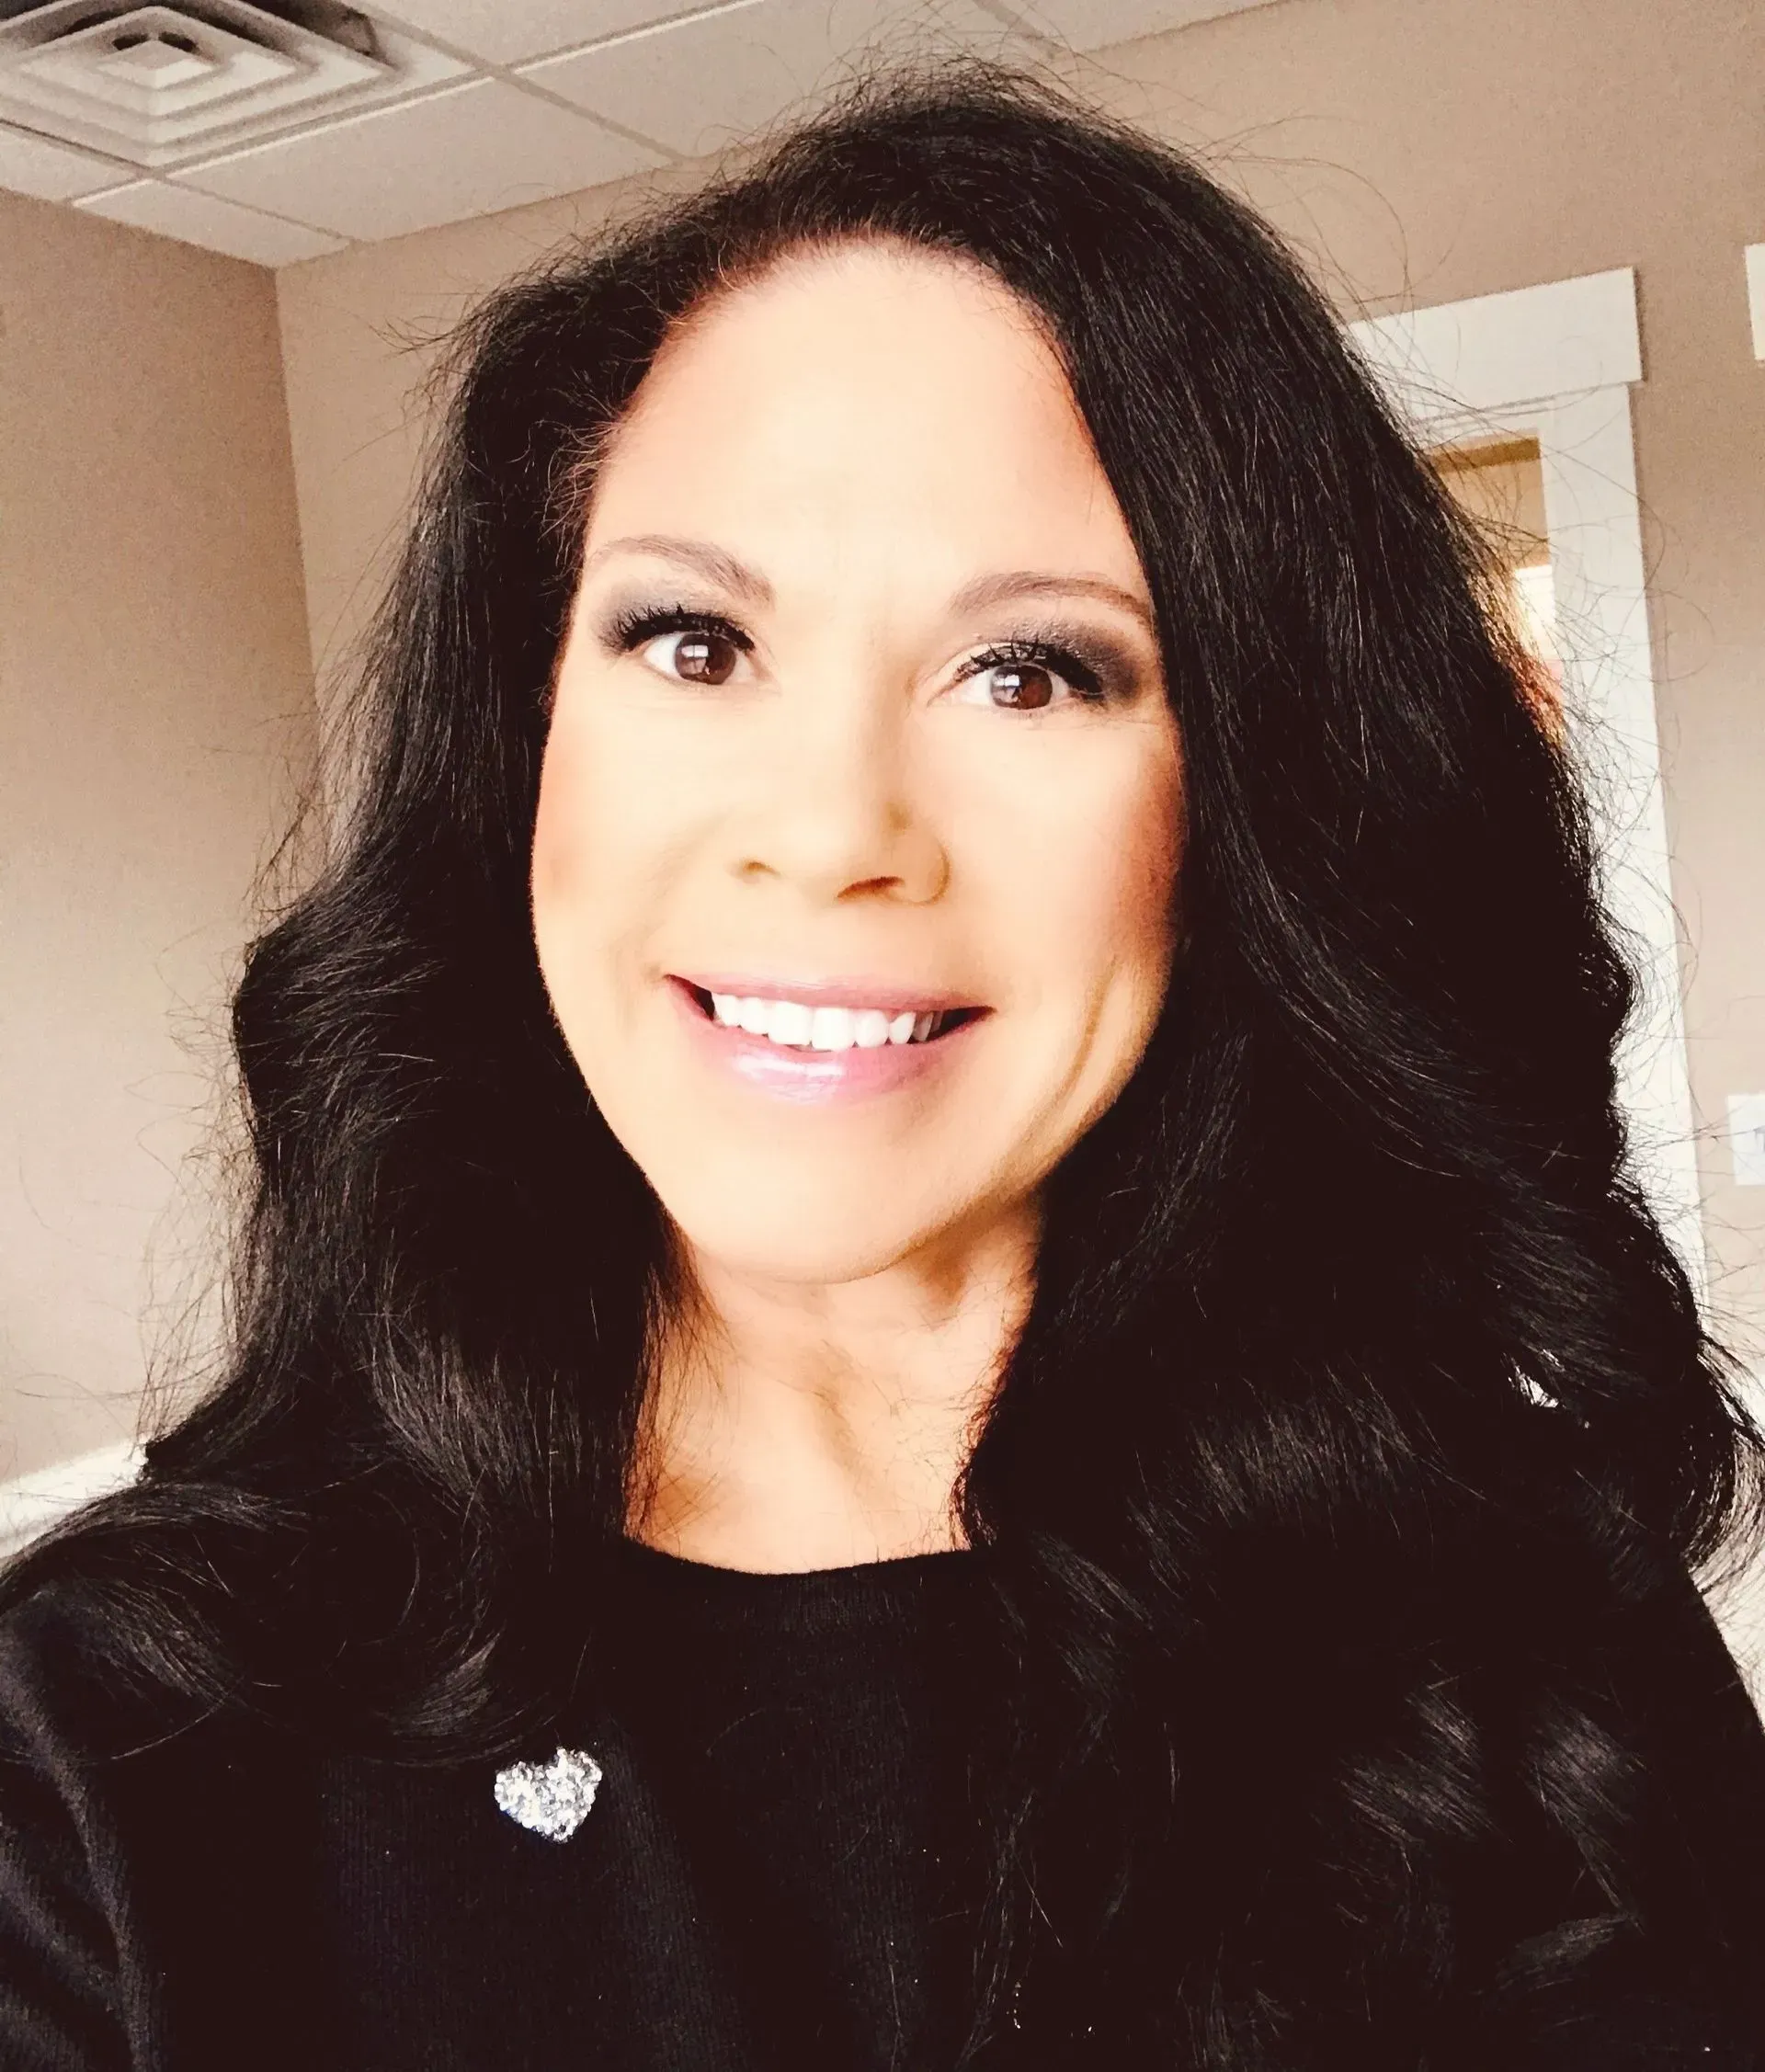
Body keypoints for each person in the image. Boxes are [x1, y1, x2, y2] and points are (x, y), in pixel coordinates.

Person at [2, 58, 1763, 2072]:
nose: (832, 826)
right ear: (526, 743)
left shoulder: (1513, 1612)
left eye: (1032, 668)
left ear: (1245, 815)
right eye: (692, 639)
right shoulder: (111, 1739)